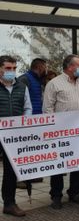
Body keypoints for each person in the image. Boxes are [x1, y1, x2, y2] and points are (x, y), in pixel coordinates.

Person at [43, 54, 79, 209]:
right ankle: (56, 196)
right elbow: (47, 109)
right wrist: (52, 130)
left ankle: (74, 192)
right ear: (71, 67)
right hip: (60, 132)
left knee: (78, 163)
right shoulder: (54, 84)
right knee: (59, 164)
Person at [0, 55, 32, 216]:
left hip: (13, 136)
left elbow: (27, 108)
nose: (11, 71)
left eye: (14, 68)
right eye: (7, 68)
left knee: (11, 170)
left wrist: (23, 124)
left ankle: (9, 203)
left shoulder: (22, 86)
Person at [16, 58, 47, 186]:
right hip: (27, 120)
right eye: (45, 66)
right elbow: (20, 100)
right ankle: (20, 179)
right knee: (24, 150)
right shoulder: (25, 79)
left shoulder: (38, 80)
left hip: (37, 120)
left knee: (33, 150)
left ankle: (31, 175)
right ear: (39, 67)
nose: (46, 69)